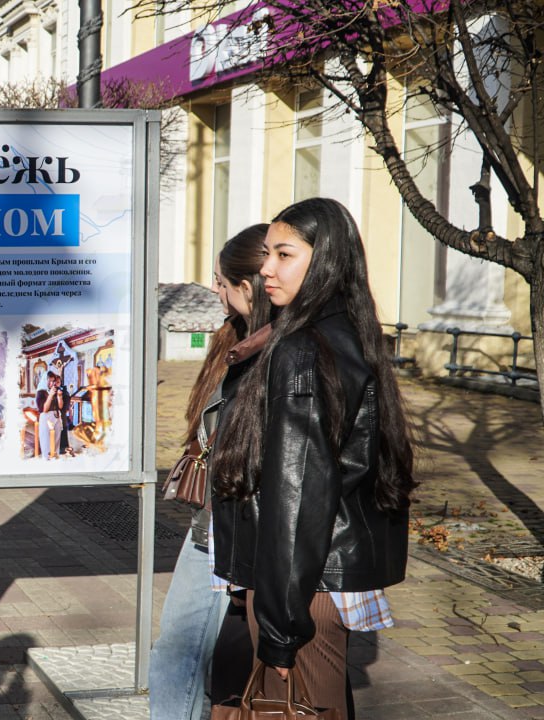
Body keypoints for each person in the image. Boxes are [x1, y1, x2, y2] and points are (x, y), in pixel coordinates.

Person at [212, 198, 416, 717]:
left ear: (325, 260)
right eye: (267, 254)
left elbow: (297, 493)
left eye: (284, 255)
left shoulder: (303, 348)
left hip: (302, 586)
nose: (266, 268)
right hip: (315, 577)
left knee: (306, 707)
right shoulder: (346, 331)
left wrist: (280, 627)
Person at [148, 224, 270, 720]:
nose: (215, 292)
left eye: (221, 282)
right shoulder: (235, 338)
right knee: (180, 653)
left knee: (189, 654)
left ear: (249, 286)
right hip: (215, 522)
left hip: (243, 528)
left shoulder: (280, 351)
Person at [35, 371, 69, 458]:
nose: (52, 383)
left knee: (56, 442)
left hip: (56, 417)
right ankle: (47, 460)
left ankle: (55, 459)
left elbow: (60, 407)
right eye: (49, 381)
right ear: (45, 380)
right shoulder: (40, 392)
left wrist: (59, 397)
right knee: (46, 442)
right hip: (46, 418)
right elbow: (44, 409)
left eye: (53, 381)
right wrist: (50, 395)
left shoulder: (55, 390)